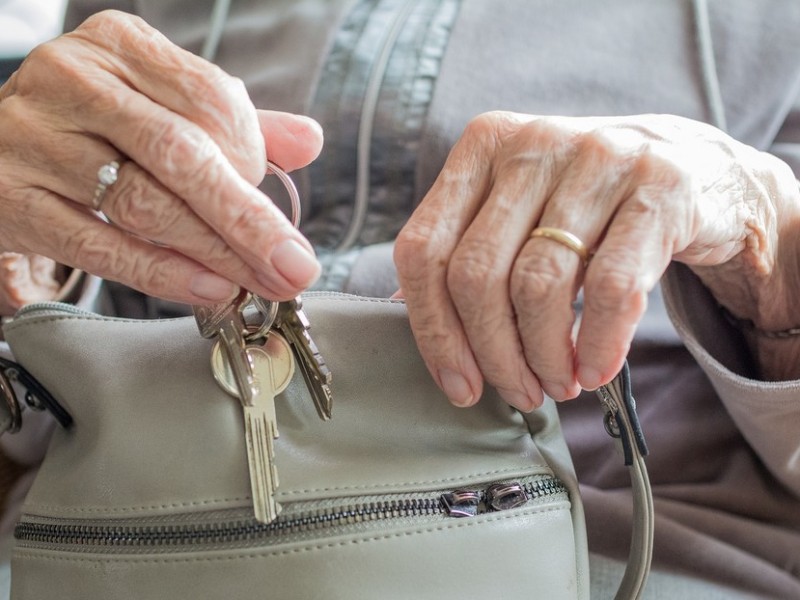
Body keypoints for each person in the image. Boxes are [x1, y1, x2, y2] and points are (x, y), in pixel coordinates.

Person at [0, 0, 798, 597]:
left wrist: (760, 223)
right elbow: (37, 405)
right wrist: (24, 260)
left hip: (631, 555)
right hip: (116, 541)